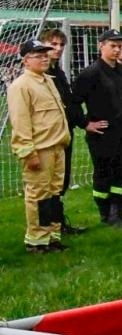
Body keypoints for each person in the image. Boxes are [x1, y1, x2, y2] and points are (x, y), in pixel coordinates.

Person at [72, 28, 122, 227]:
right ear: (101, 46)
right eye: (113, 46)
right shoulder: (90, 74)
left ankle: (117, 212)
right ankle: (104, 212)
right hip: (101, 134)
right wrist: (85, 124)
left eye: (120, 46)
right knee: (103, 172)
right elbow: (73, 102)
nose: (117, 50)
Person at [9, 39, 71, 252]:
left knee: (53, 194)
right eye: (38, 55)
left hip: (57, 147)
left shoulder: (48, 80)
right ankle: (36, 239)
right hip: (40, 150)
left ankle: (52, 235)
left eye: (46, 54)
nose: (45, 58)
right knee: (38, 195)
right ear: (26, 61)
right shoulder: (21, 86)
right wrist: (28, 152)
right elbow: (21, 121)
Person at [40, 28, 87, 233]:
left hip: (64, 135)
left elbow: (69, 102)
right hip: (47, 139)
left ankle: (57, 225)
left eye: (61, 45)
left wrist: (84, 123)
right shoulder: (38, 76)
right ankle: (44, 230)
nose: (58, 49)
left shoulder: (58, 72)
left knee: (61, 181)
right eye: (53, 45)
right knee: (45, 185)